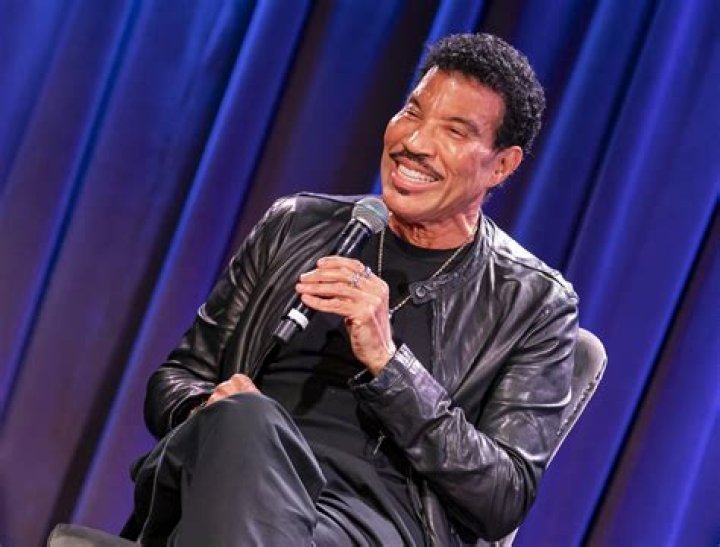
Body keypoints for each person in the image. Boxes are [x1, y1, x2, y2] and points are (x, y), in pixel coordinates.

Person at [124, 33, 578, 546]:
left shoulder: (534, 304)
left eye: (454, 131)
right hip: (227, 473)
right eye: (413, 112)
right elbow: (178, 377)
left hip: (367, 523)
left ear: (502, 164)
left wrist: (390, 365)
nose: (415, 142)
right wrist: (205, 410)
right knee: (246, 420)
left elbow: (503, 497)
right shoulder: (295, 225)